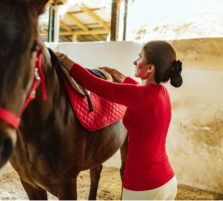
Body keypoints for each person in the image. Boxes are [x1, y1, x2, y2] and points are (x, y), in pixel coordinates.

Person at [55, 41, 182, 200]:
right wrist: (118, 75)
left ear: (150, 68)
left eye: (140, 57)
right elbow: (136, 88)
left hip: (143, 187)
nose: (135, 62)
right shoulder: (161, 93)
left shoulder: (140, 96)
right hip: (166, 181)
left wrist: (62, 58)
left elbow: (90, 82)